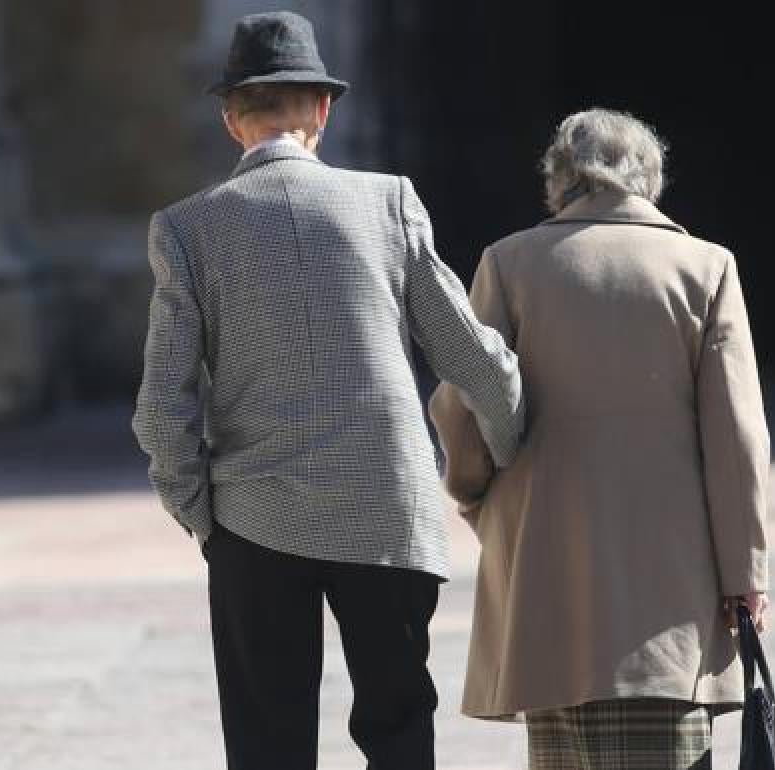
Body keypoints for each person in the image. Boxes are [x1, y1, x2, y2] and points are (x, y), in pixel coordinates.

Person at [132, 11, 525, 770]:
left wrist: (199, 513)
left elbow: (161, 408)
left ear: (230, 120)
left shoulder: (186, 229)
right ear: (323, 109)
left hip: (255, 518)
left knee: (268, 740)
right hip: (387, 508)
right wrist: (509, 453)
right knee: (400, 727)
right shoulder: (388, 202)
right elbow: (469, 358)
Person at [430, 108, 770, 770]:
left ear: (559, 180)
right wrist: (744, 572)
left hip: (546, 587)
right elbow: (735, 439)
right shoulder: (705, 268)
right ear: (649, 179)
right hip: (669, 608)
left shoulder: (511, 264)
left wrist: (483, 503)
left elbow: (463, 407)